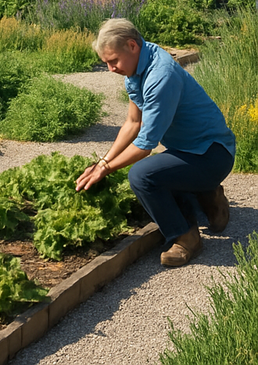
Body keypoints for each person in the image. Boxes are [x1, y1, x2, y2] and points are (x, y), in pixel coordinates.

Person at [76, 18, 235, 267]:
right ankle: (208, 197)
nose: (110, 68)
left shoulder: (161, 76)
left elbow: (144, 145)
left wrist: (105, 170)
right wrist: (102, 162)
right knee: (158, 171)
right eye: (106, 62)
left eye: (113, 61)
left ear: (132, 45)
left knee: (142, 175)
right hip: (190, 151)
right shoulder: (138, 66)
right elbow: (132, 122)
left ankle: (186, 237)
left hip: (212, 155)